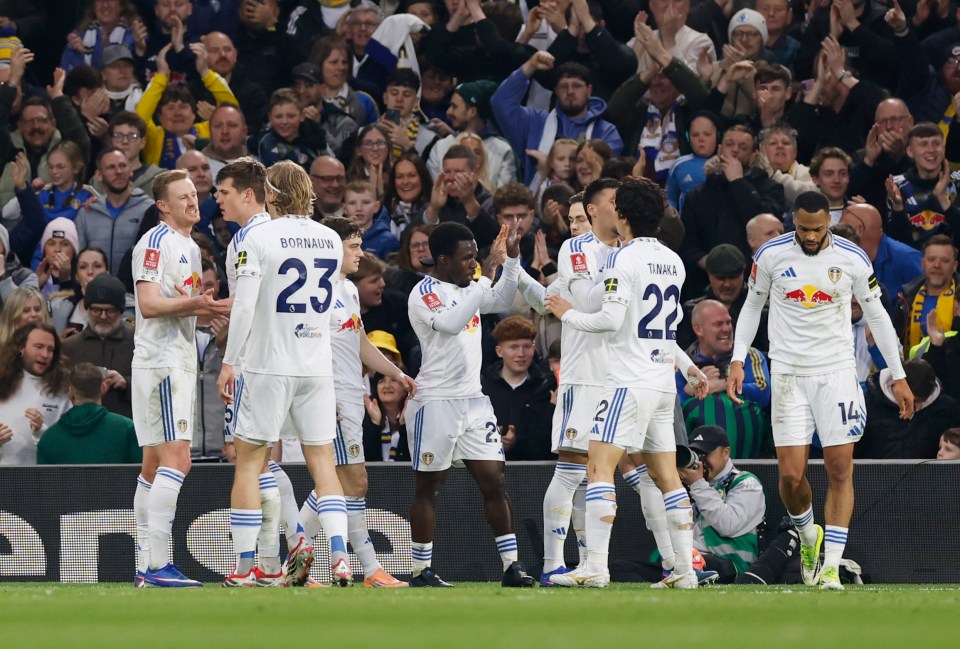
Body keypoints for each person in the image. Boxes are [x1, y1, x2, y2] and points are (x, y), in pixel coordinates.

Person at [726, 191, 914, 591]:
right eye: (802, 229)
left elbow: (877, 314)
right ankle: (808, 534)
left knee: (839, 468)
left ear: (828, 221)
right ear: (793, 221)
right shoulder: (771, 255)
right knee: (792, 477)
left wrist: (897, 373)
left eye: (817, 229)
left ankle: (830, 566)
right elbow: (750, 307)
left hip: (836, 373)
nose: (810, 237)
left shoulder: (853, 257)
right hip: (789, 375)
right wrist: (738, 358)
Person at [545, 176, 709, 589]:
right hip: (660, 382)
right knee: (667, 477)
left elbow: (610, 320)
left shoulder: (623, 259)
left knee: (599, 469)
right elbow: (665, 330)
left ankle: (595, 568)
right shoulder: (673, 261)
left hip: (625, 381)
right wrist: (686, 365)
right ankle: (685, 572)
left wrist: (566, 314)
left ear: (621, 214)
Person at [216, 161, 352, 587]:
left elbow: (243, 305)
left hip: (266, 363)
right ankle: (340, 558)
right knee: (323, 464)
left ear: (269, 193)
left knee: (249, 463)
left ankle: (244, 567)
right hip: (315, 364)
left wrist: (229, 361)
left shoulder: (256, 237)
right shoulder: (330, 238)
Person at [405, 220, 534, 587]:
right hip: (435, 402)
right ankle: (421, 570)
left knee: (495, 482)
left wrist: (509, 261)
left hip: (474, 402)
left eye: (475, 257)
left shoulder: (470, 287)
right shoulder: (424, 293)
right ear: (442, 259)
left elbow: (502, 299)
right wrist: (481, 281)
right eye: (466, 259)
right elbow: (448, 324)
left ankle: (512, 566)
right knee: (430, 486)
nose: (473, 265)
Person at [514, 177, 620, 584]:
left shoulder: (624, 249)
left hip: (620, 376)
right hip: (585, 375)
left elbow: (550, 299)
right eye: (572, 219)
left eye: (579, 219)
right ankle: (554, 564)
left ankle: (596, 563)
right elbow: (561, 304)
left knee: (627, 472)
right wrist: (514, 268)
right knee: (573, 471)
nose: (574, 226)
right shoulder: (577, 250)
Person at [131, 169, 231, 588]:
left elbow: (184, 305)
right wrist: (202, 305)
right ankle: (158, 565)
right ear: (162, 206)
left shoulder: (188, 245)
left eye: (194, 194)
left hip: (171, 360)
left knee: (153, 466)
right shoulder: (156, 242)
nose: (193, 201)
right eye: (183, 197)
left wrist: (214, 310)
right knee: (178, 460)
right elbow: (150, 304)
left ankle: (144, 563)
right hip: (163, 363)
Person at [317, 215, 416, 587]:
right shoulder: (317, 290)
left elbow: (360, 343)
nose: (361, 253)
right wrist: (323, 393)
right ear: (331, 247)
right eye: (354, 246)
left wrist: (396, 373)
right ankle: (371, 569)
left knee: (335, 483)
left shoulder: (347, 290)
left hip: (352, 392)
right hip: (332, 396)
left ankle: (295, 553)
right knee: (354, 482)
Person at [492, 51, 623, 185]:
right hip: (537, 203)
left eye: (577, 86)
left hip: (586, 203)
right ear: (556, 91)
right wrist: (529, 66)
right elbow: (501, 103)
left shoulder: (606, 132)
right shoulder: (536, 123)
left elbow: (608, 178)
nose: (570, 91)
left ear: (589, 90)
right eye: (564, 86)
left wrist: (549, 169)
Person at [678, 300, 771, 459]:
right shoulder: (682, 363)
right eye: (718, 324)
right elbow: (668, 407)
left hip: (750, 454)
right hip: (697, 455)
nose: (727, 329)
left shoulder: (749, 355)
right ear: (698, 329)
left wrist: (721, 385)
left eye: (729, 322)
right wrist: (687, 391)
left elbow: (763, 393)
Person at [678, 425, 766, 583]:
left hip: (731, 565)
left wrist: (698, 484)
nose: (700, 461)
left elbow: (729, 525)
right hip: (691, 557)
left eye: (705, 454)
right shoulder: (691, 486)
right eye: (696, 454)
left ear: (726, 453)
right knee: (624, 568)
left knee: (679, 564)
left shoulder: (746, 483)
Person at [480, 315, 556, 461]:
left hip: (538, 471)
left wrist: (518, 442)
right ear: (499, 351)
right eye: (513, 347)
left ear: (533, 349)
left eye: (526, 347)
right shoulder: (482, 388)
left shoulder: (547, 388)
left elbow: (548, 439)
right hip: (490, 470)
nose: (521, 354)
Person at [36, 362, 140, 465]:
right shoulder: (128, 429)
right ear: (103, 388)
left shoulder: (48, 439)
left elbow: (42, 480)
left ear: (70, 393)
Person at [61, 273, 134, 418]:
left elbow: (156, 389)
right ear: (87, 309)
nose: (102, 316)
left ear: (120, 311)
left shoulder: (138, 344)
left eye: (110, 310)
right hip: (82, 431)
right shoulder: (69, 347)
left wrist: (126, 383)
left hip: (127, 431)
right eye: (96, 310)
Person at [0, 322, 71, 466]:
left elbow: (67, 444)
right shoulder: (2, 380)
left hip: (44, 478)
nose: (45, 355)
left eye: (50, 349)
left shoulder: (64, 389)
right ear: (21, 348)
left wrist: (40, 431)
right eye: (38, 347)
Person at [858, 359, 959, 459]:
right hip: (874, 474)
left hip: (930, 475)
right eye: (912, 401)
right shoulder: (866, 406)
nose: (917, 408)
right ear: (895, 385)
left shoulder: (947, 409)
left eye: (922, 401)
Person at [75, 148, 154, 275]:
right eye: (111, 167)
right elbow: (80, 259)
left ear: (130, 170)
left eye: (122, 166)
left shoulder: (149, 209)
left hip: (134, 291)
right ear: (99, 175)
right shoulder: (87, 213)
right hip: (96, 290)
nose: (118, 172)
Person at [839, 203, 921, 301]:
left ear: (860, 230)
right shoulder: (839, 258)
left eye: (844, 230)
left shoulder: (908, 259)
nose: (838, 236)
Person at [894, 234, 959, 352]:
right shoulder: (905, 300)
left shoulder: (958, 300)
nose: (937, 265)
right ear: (923, 264)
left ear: (954, 266)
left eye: (944, 261)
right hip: (912, 368)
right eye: (931, 259)